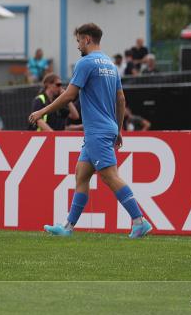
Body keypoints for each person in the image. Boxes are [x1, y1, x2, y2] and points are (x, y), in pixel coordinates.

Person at [29, 23, 152, 238]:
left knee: (110, 176)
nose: (78, 45)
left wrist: (42, 111)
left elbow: (69, 95)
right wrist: (118, 129)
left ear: (87, 39)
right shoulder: (110, 65)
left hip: (96, 130)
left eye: (78, 41)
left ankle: (139, 221)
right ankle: (68, 227)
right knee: (82, 174)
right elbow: (121, 99)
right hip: (105, 128)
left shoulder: (85, 63)